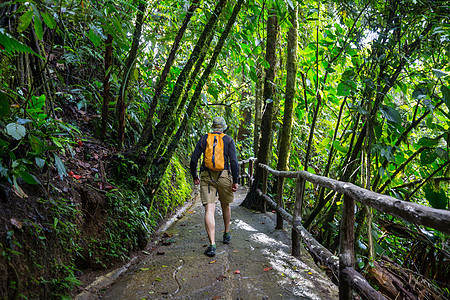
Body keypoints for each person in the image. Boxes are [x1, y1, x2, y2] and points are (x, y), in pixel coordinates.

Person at [190, 117, 239, 257]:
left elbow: (194, 159)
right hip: (224, 176)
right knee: (226, 204)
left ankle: (212, 245)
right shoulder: (228, 140)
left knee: (209, 209)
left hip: (206, 176)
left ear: (213, 127)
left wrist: (195, 176)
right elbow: (234, 161)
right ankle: (226, 233)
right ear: (223, 127)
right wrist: (235, 180)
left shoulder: (204, 138)